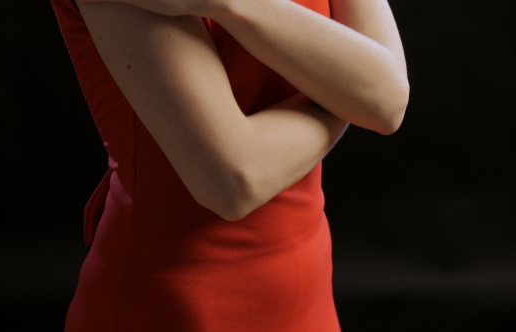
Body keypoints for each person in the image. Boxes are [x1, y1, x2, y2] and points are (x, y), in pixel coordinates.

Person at [50, 0, 408, 331]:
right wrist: (350, 98)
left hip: (308, 286)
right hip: (172, 304)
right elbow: (236, 180)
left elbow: (390, 100)